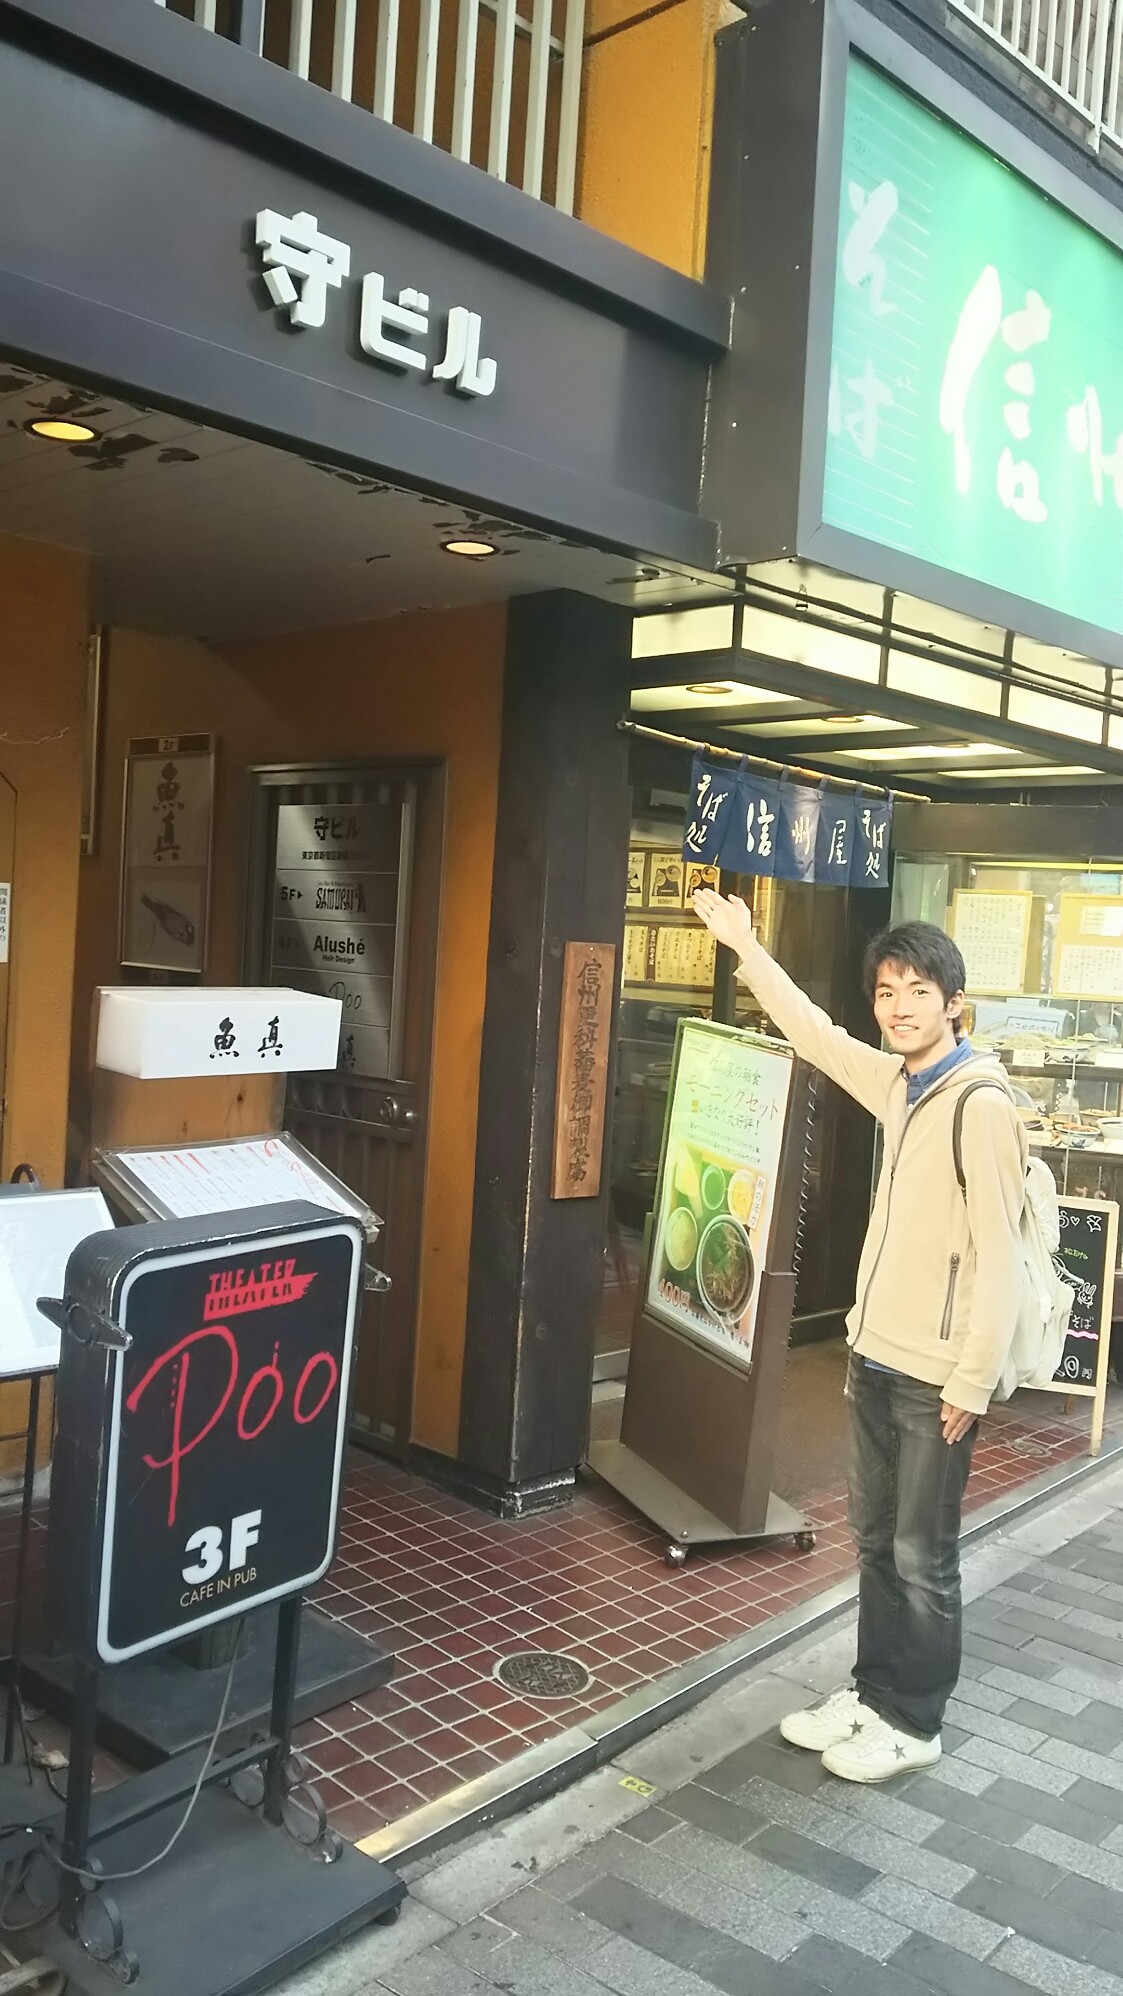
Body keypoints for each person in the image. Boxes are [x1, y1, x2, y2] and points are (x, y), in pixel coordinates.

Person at [693, 891, 1026, 1784]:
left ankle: (914, 1721)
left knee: (922, 1555)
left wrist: (970, 1380)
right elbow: (811, 1032)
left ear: (952, 1003)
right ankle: (874, 1694)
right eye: (886, 991)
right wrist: (745, 948)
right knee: (877, 1544)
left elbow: (997, 1253)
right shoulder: (898, 1084)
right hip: (873, 1356)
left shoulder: (977, 1103)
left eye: (918, 991)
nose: (898, 1007)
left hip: (934, 1377)